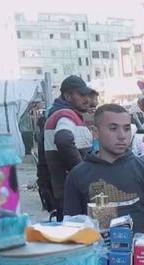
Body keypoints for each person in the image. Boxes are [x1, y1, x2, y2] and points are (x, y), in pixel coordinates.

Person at [63, 104, 144, 256]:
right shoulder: (78, 175)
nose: (122, 135)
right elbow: (71, 228)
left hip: (141, 262)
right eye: (113, 128)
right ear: (95, 132)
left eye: (127, 128)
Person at [44, 75, 96, 221]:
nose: (87, 100)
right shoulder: (66, 115)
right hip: (71, 192)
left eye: (87, 95)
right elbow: (63, 140)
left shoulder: (58, 114)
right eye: (81, 95)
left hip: (63, 191)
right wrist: (82, 171)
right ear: (67, 96)